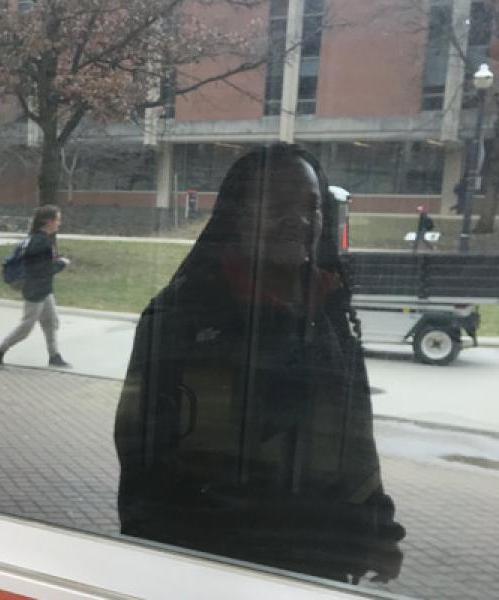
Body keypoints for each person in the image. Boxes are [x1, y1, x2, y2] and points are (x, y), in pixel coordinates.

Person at [114, 144, 405, 585]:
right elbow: (141, 456)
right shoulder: (182, 316)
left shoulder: (329, 313)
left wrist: (377, 531)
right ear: (239, 214)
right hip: (211, 569)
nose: (300, 220)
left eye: (312, 207)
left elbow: (354, 436)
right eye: (278, 205)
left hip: (318, 570)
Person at [0, 205, 71, 368]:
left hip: (43, 289)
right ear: (48, 221)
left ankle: (54, 356)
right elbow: (42, 269)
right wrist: (61, 264)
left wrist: (55, 262)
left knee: (51, 322)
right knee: (26, 326)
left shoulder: (39, 239)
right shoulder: (41, 242)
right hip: (35, 290)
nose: (59, 223)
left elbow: (40, 265)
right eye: (57, 219)